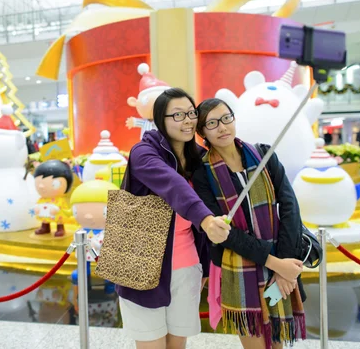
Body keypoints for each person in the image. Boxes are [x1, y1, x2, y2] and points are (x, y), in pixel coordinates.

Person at [117, 88, 231, 349]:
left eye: (191, 113)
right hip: (142, 265)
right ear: (160, 119)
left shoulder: (199, 158)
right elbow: (173, 185)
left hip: (186, 268)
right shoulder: (143, 153)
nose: (188, 120)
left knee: (177, 345)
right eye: (178, 115)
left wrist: (204, 263)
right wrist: (205, 218)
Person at [191, 98, 306, 349]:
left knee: (277, 345)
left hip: (279, 258)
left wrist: (283, 266)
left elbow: (289, 206)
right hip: (238, 267)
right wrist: (275, 263)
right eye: (212, 123)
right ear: (201, 133)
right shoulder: (202, 173)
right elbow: (224, 234)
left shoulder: (264, 155)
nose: (222, 127)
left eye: (226, 118)